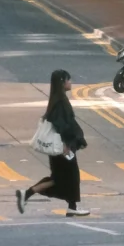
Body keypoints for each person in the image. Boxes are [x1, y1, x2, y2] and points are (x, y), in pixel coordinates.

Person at [17, 69, 90, 216]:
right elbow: (63, 125)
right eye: (68, 80)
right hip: (62, 147)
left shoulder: (57, 100)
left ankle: (28, 194)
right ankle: (71, 207)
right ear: (62, 81)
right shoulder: (60, 102)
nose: (71, 82)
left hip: (60, 146)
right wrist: (67, 144)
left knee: (59, 178)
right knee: (71, 176)